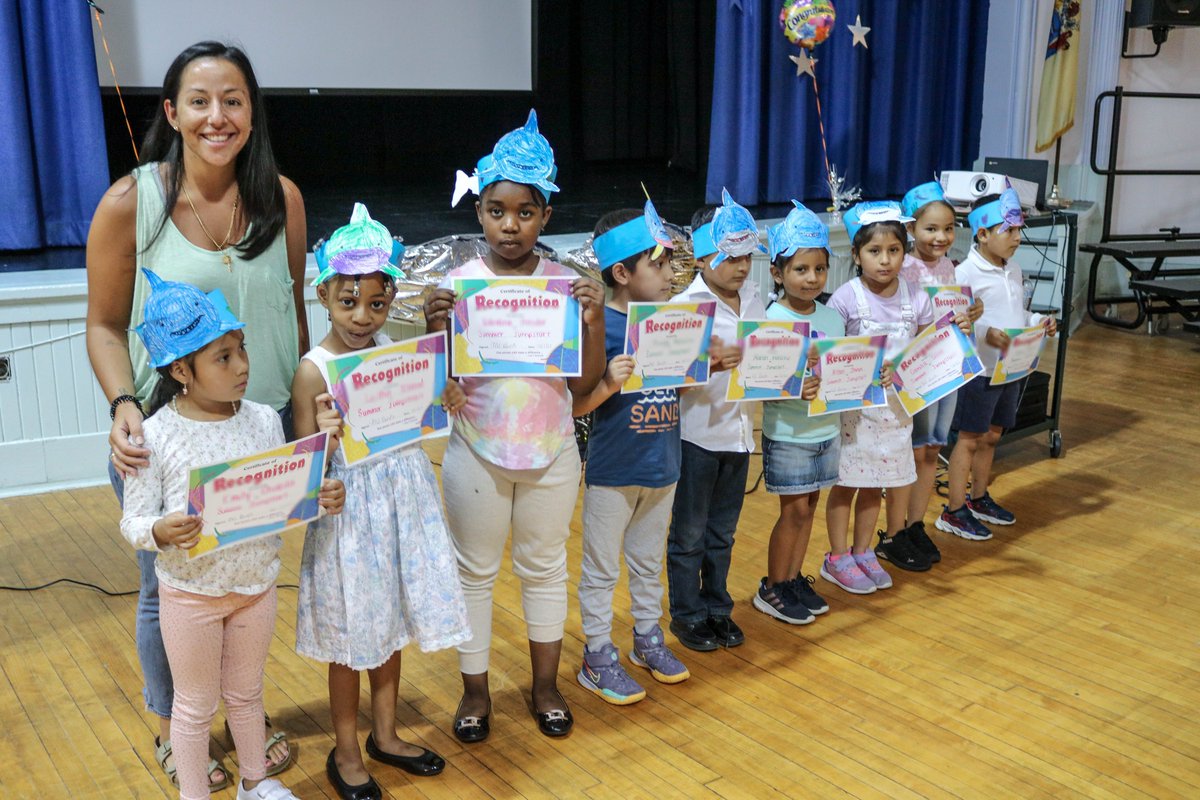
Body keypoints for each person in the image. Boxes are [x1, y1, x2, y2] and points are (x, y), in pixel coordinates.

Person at [85, 41, 307, 789]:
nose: (219, 116)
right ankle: (173, 723)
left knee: (246, 578)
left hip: (261, 429)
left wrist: (305, 423)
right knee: (167, 589)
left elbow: (293, 317)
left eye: (235, 100)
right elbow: (104, 325)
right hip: (170, 434)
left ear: (252, 111)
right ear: (173, 112)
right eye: (201, 101)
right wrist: (123, 404)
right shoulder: (132, 201)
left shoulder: (284, 198)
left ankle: (240, 713)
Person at [119, 273, 344, 800]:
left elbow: (282, 496)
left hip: (256, 586)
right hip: (190, 595)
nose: (242, 365)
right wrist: (158, 530)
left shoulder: (265, 420)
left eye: (241, 349)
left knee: (246, 694)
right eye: (223, 357)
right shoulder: (154, 437)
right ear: (181, 371)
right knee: (194, 707)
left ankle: (255, 783)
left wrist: (319, 495)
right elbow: (132, 522)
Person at [423, 111, 606, 740]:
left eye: (525, 212)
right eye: (497, 210)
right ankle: (475, 694)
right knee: (474, 571)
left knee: (544, 566)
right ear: (479, 213)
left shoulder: (565, 286)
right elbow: (434, 389)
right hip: (477, 449)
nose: (510, 224)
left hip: (553, 449)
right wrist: (432, 329)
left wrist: (594, 321)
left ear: (545, 217)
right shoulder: (458, 286)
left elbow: (583, 387)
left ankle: (546, 685)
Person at [292, 205, 471, 799]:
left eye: (375, 302)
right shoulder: (313, 372)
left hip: (400, 501)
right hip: (348, 517)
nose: (362, 317)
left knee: (389, 625)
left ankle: (386, 735)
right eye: (348, 302)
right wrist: (322, 438)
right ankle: (346, 751)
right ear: (324, 294)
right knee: (352, 639)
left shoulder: (401, 352)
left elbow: (428, 404)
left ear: (391, 297)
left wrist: (443, 391)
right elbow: (302, 469)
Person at [571, 202, 691, 706]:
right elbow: (577, 403)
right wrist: (609, 384)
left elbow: (679, 389)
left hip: (663, 466)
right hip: (613, 471)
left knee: (647, 563)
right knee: (601, 569)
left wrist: (709, 362)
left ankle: (647, 639)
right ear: (622, 272)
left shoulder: (672, 323)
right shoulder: (600, 328)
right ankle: (597, 655)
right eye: (659, 264)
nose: (670, 274)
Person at [822, 202, 939, 593]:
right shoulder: (845, 299)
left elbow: (926, 350)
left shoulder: (917, 298)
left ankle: (864, 550)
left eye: (894, 250)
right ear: (856, 255)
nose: (885, 260)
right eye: (874, 252)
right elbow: (830, 354)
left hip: (896, 414)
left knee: (878, 482)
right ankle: (837, 557)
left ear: (904, 253)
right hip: (856, 414)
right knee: (848, 482)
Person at [666, 190, 765, 651]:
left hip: (740, 435)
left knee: (722, 532)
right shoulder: (684, 308)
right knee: (688, 533)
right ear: (703, 254)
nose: (741, 267)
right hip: (697, 436)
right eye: (731, 257)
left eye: (747, 257)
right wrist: (708, 364)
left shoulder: (755, 301)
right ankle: (686, 613)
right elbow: (667, 381)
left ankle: (717, 607)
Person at [937, 189, 1057, 541]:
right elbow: (956, 321)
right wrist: (986, 333)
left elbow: (1017, 313)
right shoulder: (965, 274)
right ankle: (954, 510)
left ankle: (978, 498)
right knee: (970, 439)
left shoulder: (1015, 270)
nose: (1017, 238)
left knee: (992, 436)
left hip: (1011, 369)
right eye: (1009, 230)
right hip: (979, 372)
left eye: (1019, 230)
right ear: (982, 233)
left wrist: (1038, 320)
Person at [752, 202, 840, 624]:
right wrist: (791, 385)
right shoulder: (769, 320)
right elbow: (758, 384)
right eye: (801, 270)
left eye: (819, 269)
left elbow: (843, 368)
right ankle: (772, 585)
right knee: (794, 511)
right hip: (788, 430)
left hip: (826, 428)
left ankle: (791, 579)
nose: (811, 279)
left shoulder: (832, 318)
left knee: (811, 505)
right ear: (777, 272)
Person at [894, 181, 983, 561]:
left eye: (948, 228)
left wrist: (970, 313)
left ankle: (917, 524)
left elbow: (954, 311)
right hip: (919, 372)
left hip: (947, 370)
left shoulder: (949, 266)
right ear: (911, 229)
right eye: (931, 228)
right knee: (914, 451)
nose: (941, 237)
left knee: (932, 448)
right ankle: (896, 530)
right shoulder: (903, 268)